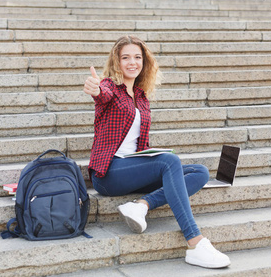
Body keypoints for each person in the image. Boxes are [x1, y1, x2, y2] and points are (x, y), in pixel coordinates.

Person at [83, 35, 230, 269]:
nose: (132, 62)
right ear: (117, 62)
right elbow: (102, 93)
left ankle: (142, 205)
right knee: (169, 162)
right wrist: (95, 88)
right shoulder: (110, 87)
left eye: (137, 57)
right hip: (109, 173)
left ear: (144, 61)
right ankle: (195, 242)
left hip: (133, 167)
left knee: (199, 172)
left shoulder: (141, 97)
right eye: (125, 57)